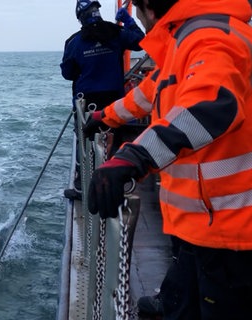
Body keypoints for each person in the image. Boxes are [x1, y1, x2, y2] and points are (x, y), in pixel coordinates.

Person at [84, 0, 252, 318]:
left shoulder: (209, 36)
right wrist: (107, 116)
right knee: (179, 301)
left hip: (231, 232)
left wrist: (133, 157)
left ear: (148, 5)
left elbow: (212, 104)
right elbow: (152, 90)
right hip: (203, 221)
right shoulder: (187, 37)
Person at [60, 0, 144, 200]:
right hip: (114, 101)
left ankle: (82, 188)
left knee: (86, 142)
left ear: (80, 17)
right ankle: (117, 183)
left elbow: (68, 73)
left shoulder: (74, 42)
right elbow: (141, 41)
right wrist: (129, 21)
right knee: (113, 139)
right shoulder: (116, 33)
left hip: (87, 102)